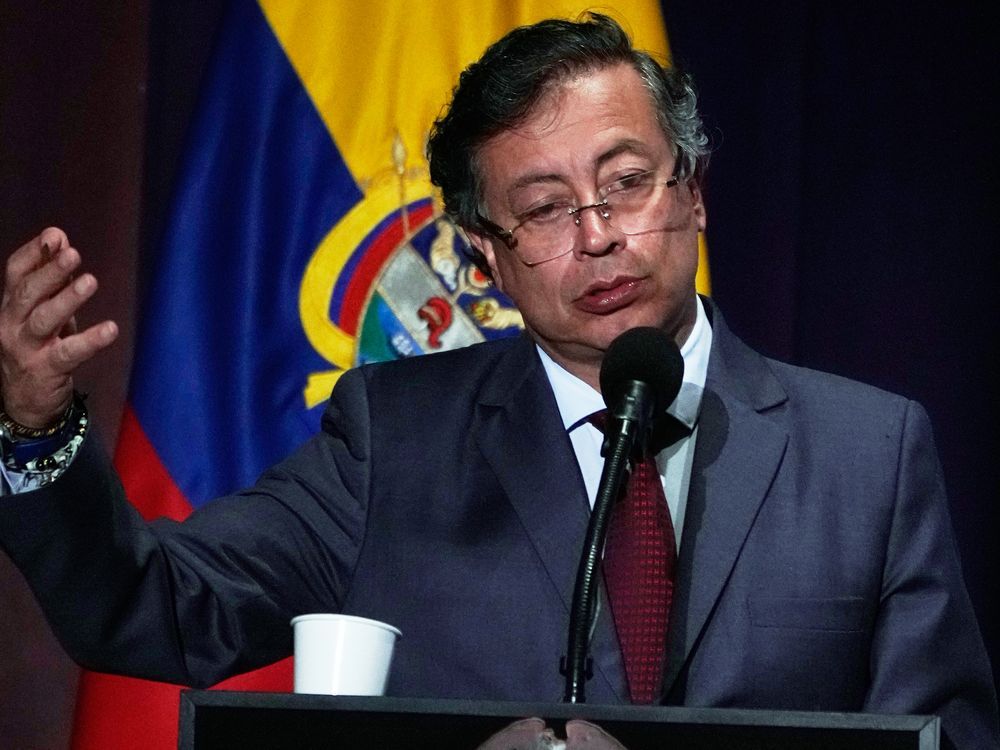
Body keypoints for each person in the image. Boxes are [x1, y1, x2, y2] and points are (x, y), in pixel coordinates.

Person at [0, 14, 996, 750]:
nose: (599, 233)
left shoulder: (869, 455)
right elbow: (154, 608)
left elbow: (941, 742)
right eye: (546, 208)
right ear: (485, 258)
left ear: (692, 193)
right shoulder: (393, 444)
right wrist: (38, 436)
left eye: (626, 182)